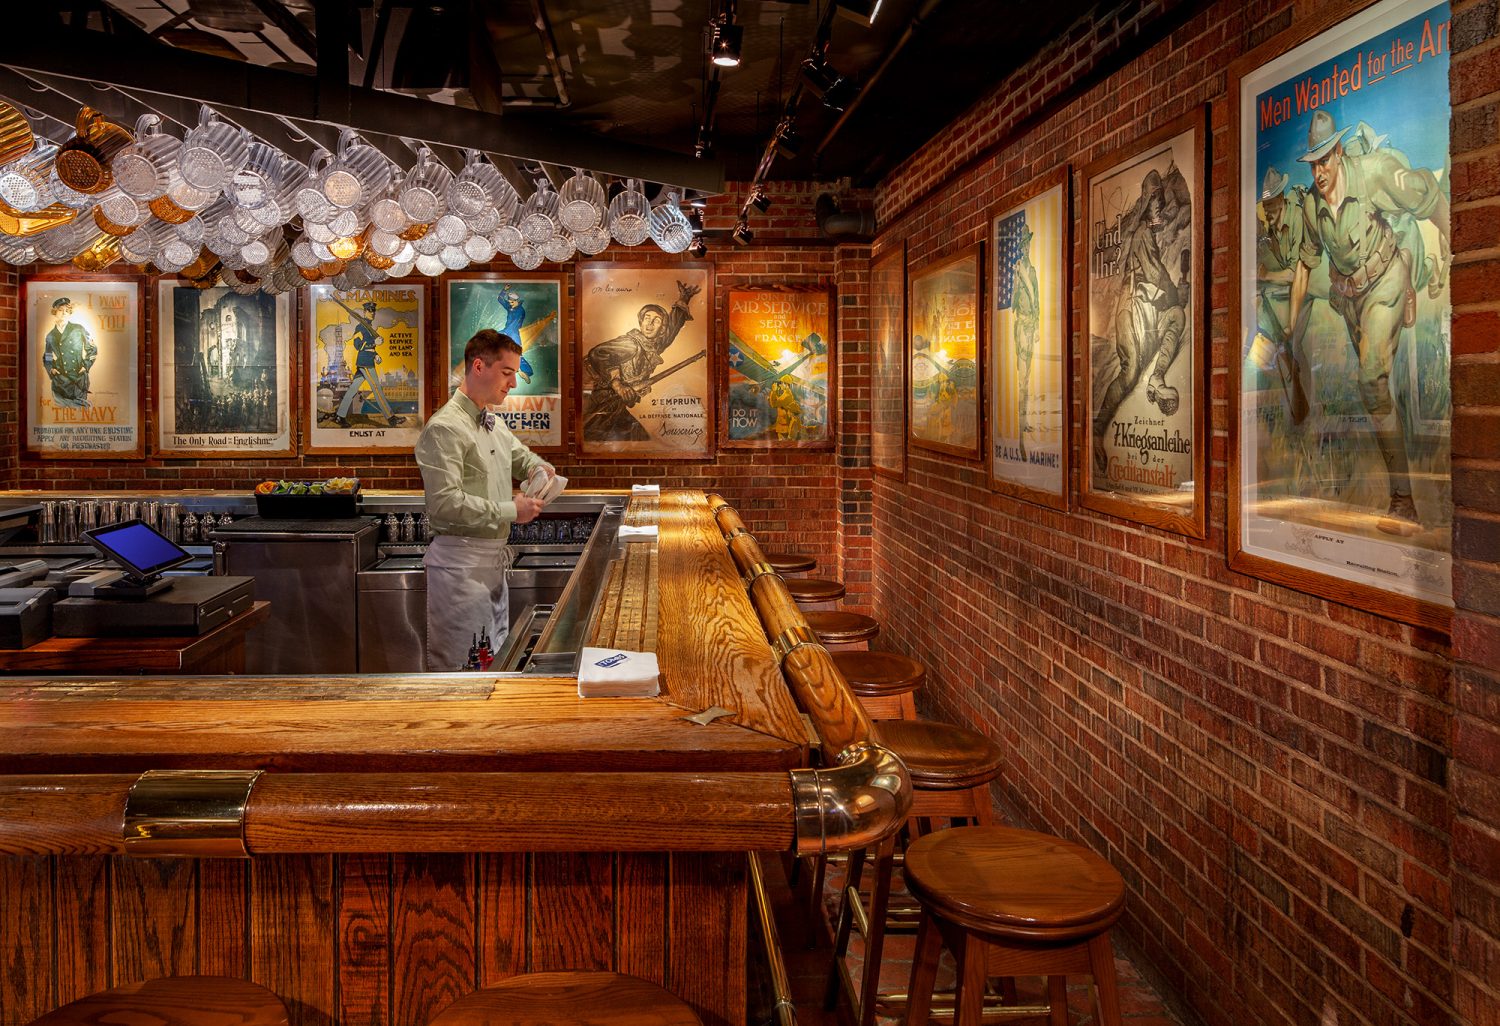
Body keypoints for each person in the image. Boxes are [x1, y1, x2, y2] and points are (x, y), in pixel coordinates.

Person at [1286, 109, 1450, 534]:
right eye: (1313, 163)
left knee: (1371, 377)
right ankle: (1400, 488)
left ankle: (1402, 499)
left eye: (1325, 159)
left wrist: (1458, 239)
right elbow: (1305, 266)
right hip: (1351, 299)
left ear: (1338, 153)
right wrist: (1290, 330)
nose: (1319, 171)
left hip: (1386, 280)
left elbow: (1427, 193)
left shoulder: (1374, 172)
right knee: (1375, 389)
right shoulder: (1310, 204)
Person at [415, 329, 554, 671]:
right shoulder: (445, 428)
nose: (514, 384)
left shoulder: (492, 422)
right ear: (479, 366)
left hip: (491, 566)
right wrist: (512, 510)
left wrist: (541, 468)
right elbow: (445, 503)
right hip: (460, 568)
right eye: (507, 374)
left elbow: (522, 458)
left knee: (493, 668)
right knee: (463, 673)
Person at [1091, 165, 1192, 477]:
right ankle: (1098, 429)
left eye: (1161, 199)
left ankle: (1158, 378)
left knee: (1177, 318)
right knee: (1130, 369)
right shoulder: (1142, 234)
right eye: (1155, 200)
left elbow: (1160, 278)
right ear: (1148, 204)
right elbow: (1153, 275)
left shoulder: (1151, 234)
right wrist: (1175, 294)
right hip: (1133, 309)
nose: (1159, 205)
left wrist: (1176, 298)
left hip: (1149, 308)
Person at [583, 280, 701, 441]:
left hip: (615, 406)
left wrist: (684, 298)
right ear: (641, 321)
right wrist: (618, 384)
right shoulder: (631, 344)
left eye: (657, 321)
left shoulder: (653, 346)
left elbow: (672, 328)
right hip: (598, 402)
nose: (650, 324)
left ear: (661, 328)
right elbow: (598, 354)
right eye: (647, 318)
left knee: (639, 437)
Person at [336, 300, 403, 427]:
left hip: (368, 359)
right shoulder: (360, 327)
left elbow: (369, 348)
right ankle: (391, 418)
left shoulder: (369, 327)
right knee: (377, 389)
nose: (372, 313)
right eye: (370, 311)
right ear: (365, 312)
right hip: (365, 362)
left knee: (352, 390)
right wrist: (374, 343)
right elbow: (357, 345)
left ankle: (339, 416)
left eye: (374, 311)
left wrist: (376, 354)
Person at [1010, 223, 1040, 459]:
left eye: (1028, 243)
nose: (1026, 247)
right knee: (1021, 378)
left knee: (1027, 377)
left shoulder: (1033, 271)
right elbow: (1013, 303)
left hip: (1031, 325)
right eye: (1023, 244)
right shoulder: (1020, 270)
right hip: (1021, 326)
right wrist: (1016, 278)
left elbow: (1037, 300)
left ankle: (1026, 418)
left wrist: (1037, 325)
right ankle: (1020, 435)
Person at [42, 296, 97, 408]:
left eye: (67, 311)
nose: (64, 313)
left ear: (70, 313)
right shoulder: (50, 336)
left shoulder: (79, 328)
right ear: (55, 312)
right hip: (61, 381)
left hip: (78, 378)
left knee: (81, 412)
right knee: (61, 413)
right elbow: (47, 356)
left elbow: (92, 349)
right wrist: (51, 369)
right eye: (60, 310)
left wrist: (86, 366)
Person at [497, 287, 535, 384]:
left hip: (513, 335)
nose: (510, 304)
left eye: (512, 302)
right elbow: (500, 299)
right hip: (507, 332)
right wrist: (504, 290)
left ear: (517, 301)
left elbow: (513, 326)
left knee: (518, 355)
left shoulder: (520, 311)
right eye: (509, 302)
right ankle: (516, 369)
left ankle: (525, 371)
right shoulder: (510, 307)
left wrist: (504, 334)